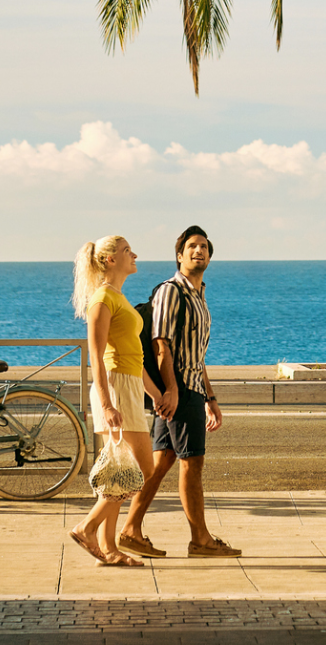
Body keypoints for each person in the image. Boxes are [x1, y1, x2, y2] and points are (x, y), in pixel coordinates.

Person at [118, 225, 240, 558]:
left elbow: (196, 354)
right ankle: (200, 540)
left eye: (203, 247)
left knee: (163, 461)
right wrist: (171, 390)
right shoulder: (172, 291)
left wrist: (210, 397)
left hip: (191, 388)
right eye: (191, 247)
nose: (198, 251)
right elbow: (162, 344)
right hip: (180, 390)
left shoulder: (198, 295)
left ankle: (130, 530)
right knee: (192, 463)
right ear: (179, 255)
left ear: (210, 257)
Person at [66, 235, 166, 567]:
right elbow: (95, 355)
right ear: (110, 260)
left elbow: (134, 357)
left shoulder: (117, 297)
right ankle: (87, 526)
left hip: (130, 385)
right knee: (142, 468)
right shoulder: (102, 300)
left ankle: (108, 549)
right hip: (116, 387)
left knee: (120, 471)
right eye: (127, 251)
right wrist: (108, 404)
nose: (134, 254)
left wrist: (154, 393)